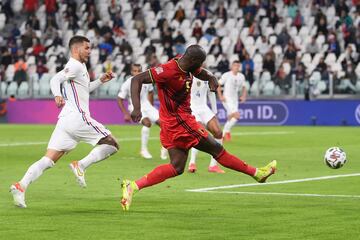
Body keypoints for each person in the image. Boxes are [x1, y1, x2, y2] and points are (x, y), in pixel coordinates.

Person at [120, 45, 277, 211]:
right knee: (217, 150)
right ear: (193, 60)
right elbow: (136, 80)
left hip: (171, 124)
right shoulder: (166, 71)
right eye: (201, 63)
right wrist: (136, 108)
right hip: (181, 122)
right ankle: (257, 174)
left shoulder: (186, 63)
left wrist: (211, 77)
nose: (201, 66)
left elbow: (200, 72)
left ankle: (133, 186)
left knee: (177, 167)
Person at [10, 36, 119, 208]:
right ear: (76, 49)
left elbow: (85, 89)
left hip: (65, 121)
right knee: (113, 144)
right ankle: (81, 165)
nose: (90, 51)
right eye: (87, 48)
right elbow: (55, 80)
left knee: (48, 159)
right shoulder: (74, 65)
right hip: (78, 117)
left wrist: (100, 81)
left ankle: (20, 186)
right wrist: (57, 95)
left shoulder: (80, 67)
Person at [117, 63, 168, 160]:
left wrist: (151, 107)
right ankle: (143, 150)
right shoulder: (128, 83)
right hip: (135, 107)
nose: (137, 73)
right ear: (131, 72)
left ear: (142, 71)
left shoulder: (145, 80)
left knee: (164, 124)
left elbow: (150, 92)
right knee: (147, 123)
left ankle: (164, 147)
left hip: (147, 106)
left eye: (139, 71)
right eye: (135, 71)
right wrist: (126, 113)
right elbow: (119, 98)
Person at [188, 76, 225, 174]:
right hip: (191, 108)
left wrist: (214, 111)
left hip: (204, 108)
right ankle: (192, 163)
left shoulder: (207, 75)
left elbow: (211, 93)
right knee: (200, 133)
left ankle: (213, 165)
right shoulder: (187, 74)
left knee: (218, 132)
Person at [217, 61, 247, 141]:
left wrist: (243, 96)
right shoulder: (227, 75)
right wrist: (220, 96)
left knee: (231, 118)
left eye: (238, 65)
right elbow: (218, 85)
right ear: (232, 66)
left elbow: (244, 87)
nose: (236, 67)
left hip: (235, 99)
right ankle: (225, 132)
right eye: (235, 65)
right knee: (236, 116)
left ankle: (223, 135)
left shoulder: (241, 76)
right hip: (227, 99)